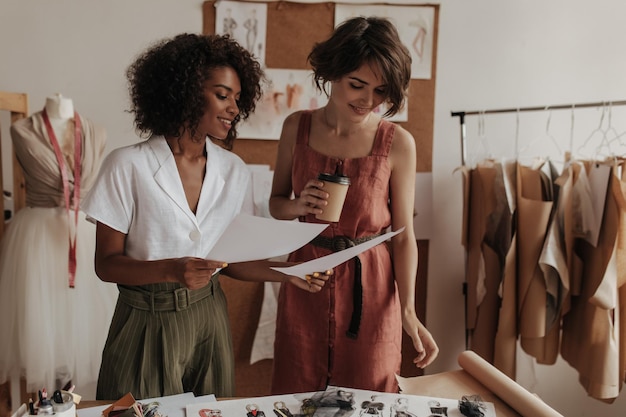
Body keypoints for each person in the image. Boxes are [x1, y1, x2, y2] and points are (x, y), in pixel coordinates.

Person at [81, 33, 330, 401]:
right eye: (222, 94)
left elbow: (230, 261)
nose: (234, 108)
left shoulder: (234, 170)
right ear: (184, 90)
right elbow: (106, 264)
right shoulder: (126, 165)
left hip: (209, 317)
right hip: (147, 318)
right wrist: (172, 270)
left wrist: (290, 273)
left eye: (237, 98)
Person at [269, 16, 439, 394]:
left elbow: (404, 236)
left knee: (370, 396)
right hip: (306, 278)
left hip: (373, 289)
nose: (368, 101)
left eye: (381, 91)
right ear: (332, 73)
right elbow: (276, 204)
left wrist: (409, 310)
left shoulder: (397, 143)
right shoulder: (296, 127)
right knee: (296, 395)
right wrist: (299, 207)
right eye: (357, 85)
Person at [0, 94, 117, 395]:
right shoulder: (22, 130)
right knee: (44, 320)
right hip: (39, 238)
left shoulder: (96, 131)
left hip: (84, 233)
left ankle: (72, 400)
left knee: (82, 326)